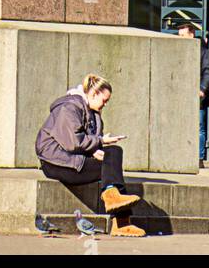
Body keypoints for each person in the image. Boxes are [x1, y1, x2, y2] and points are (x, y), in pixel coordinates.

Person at [35, 74, 144, 237]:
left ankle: (114, 203)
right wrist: (100, 142)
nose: (105, 104)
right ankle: (120, 219)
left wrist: (96, 151)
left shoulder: (95, 116)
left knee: (114, 153)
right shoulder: (69, 107)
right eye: (104, 100)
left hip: (75, 160)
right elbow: (73, 142)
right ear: (93, 94)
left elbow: (86, 144)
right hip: (56, 163)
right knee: (111, 163)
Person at [173, 20, 209, 162]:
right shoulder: (178, 52)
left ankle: (198, 158)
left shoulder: (204, 53)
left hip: (197, 96)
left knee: (198, 127)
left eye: (183, 35)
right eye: (179, 35)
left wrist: (202, 89)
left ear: (192, 35)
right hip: (181, 95)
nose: (181, 39)